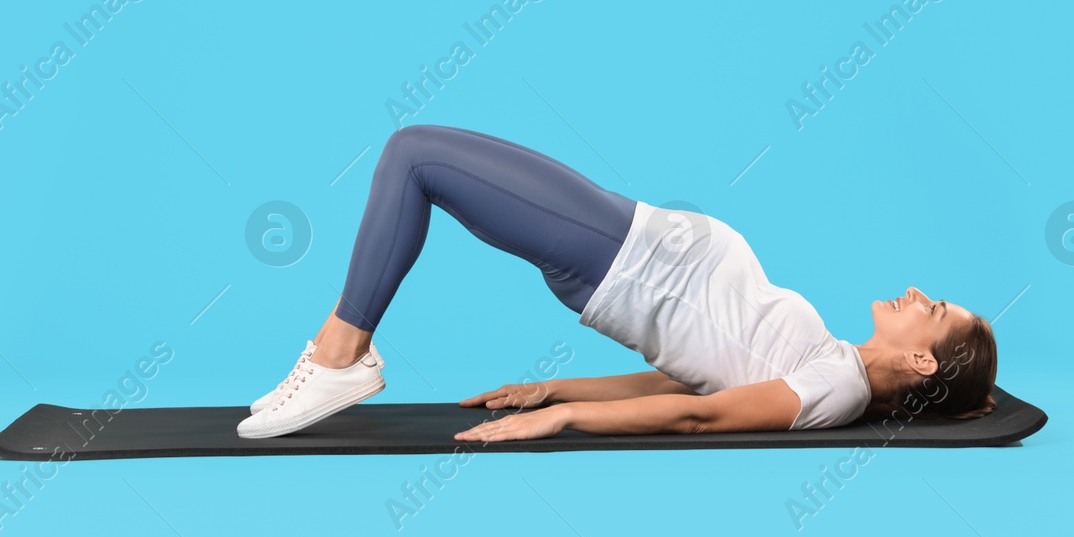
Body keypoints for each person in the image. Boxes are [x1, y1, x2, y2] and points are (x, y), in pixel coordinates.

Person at [237, 124, 997, 441]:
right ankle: (339, 355)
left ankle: (341, 356)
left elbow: (705, 418)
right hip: (623, 239)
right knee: (417, 158)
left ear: (925, 359)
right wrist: (560, 389)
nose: (915, 291)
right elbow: (691, 380)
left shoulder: (836, 389)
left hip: (622, 255)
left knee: (413, 156)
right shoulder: (833, 361)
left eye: (931, 310)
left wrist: (564, 423)